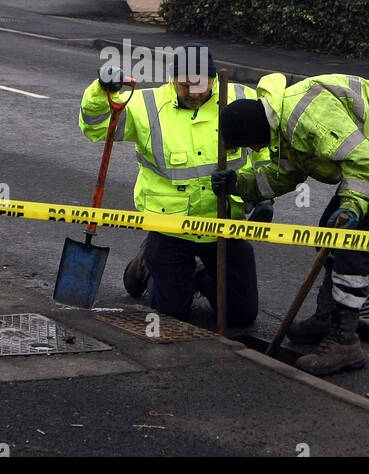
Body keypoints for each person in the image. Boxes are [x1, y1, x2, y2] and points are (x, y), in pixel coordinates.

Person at [214, 73, 369, 375]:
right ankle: (328, 316)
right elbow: (283, 175)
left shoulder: (306, 117)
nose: (256, 150)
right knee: (328, 231)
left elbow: (362, 160)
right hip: (366, 157)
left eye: (251, 144)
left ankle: (345, 342)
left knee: (352, 249)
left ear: (256, 132)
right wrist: (238, 183)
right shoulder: (280, 128)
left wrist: (353, 207)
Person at [78, 43, 268, 326]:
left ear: (214, 78)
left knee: (240, 316)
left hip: (224, 224)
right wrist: (101, 90)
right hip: (170, 227)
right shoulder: (148, 105)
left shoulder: (241, 99)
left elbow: (267, 149)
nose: (193, 92)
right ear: (173, 79)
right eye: (184, 84)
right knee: (170, 316)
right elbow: (96, 127)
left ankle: (201, 274)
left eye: (200, 84)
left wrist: (263, 193)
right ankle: (148, 264)